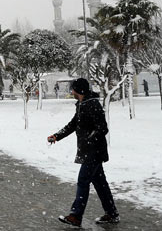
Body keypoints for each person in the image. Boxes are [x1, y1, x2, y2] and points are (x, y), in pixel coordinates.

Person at [47, 78, 120, 227]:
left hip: (94, 152)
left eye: (73, 89)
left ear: (79, 90)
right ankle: (112, 214)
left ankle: (76, 216)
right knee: (100, 184)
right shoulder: (81, 104)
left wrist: (90, 139)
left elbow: (103, 128)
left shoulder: (92, 104)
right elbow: (73, 124)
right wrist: (57, 136)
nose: (71, 91)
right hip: (89, 151)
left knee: (83, 181)